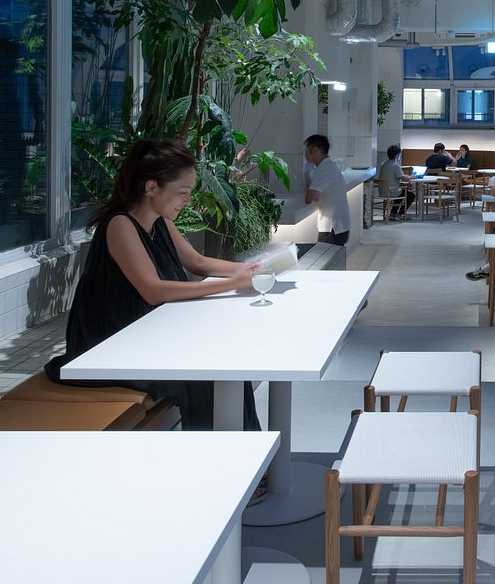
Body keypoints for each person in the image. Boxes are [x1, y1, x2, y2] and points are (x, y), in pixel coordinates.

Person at [45, 139, 263, 435]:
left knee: (228, 364)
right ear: (151, 188)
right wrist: (232, 284)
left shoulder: (159, 222)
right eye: (183, 192)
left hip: (146, 336)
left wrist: (249, 270)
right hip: (111, 347)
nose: (187, 200)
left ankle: (241, 452)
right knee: (205, 373)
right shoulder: (120, 224)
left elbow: (197, 262)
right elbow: (153, 290)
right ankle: (212, 455)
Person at [304, 134, 349, 245]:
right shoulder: (330, 165)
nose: (305, 154)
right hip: (339, 226)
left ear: (315, 151)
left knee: (325, 256)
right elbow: (314, 194)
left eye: (307, 150)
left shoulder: (324, 169)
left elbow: (309, 198)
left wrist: (306, 173)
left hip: (332, 228)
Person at [378, 144, 415, 220]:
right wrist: (412, 177)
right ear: (397, 155)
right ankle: (400, 213)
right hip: (390, 191)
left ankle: (393, 213)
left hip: (382, 191)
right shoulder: (395, 165)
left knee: (401, 191)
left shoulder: (383, 163)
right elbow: (403, 178)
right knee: (411, 195)